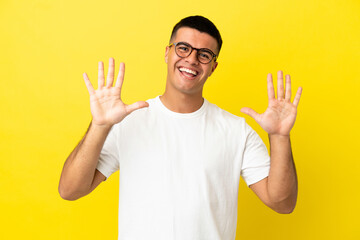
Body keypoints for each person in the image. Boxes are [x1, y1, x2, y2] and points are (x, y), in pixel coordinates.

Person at [58, 15, 302, 240]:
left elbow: (283, 203)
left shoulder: (236, 131)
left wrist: (280, 136)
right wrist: (100, 126)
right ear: (167, 53)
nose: (192, 60)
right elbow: (70, 190)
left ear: (213, 67)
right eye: (183, 48)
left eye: (204, 54)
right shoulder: (127, 123)